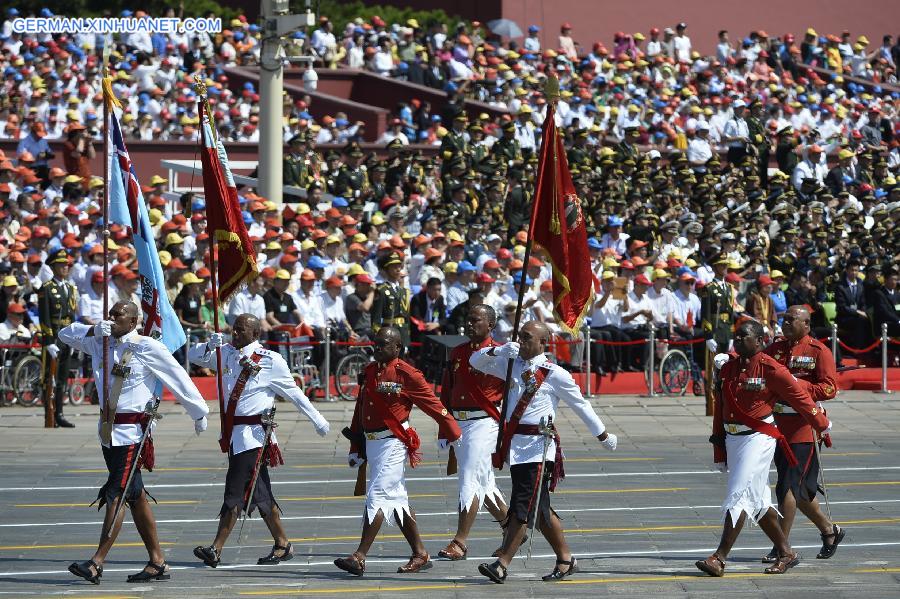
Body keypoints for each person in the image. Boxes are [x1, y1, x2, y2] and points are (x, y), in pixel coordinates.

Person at [59, 300, 210, 584]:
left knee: (116, 492)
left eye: (119, 315)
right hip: (107, 432)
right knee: (136, 496)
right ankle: (158, 562)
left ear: (133, 321)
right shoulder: (99, 342)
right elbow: (64, 334)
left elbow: (177, 377)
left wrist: (198, 412)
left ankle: (96, 562)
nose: (113, 318)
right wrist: (93, 330)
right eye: (111, 314)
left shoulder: (147, 346)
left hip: (132, 435)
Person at [470, 321, 617, 583]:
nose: (522, 342)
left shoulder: (554, 374)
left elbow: (581, 405)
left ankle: (502, 563)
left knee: (521, 506)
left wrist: (603, 435)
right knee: (540, 511)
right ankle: (565, 559)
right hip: (516, 447)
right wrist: (499, 351)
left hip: (539, 449)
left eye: (527, 338)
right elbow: (475, 362)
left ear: (542, 343)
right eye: (520, 337)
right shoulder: (511, 363)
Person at [189, 313, 329, 568]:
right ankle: (282, 543)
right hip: (234, 435)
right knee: (260, 492)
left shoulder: (270, 361)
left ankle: (216, 549)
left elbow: (294, 392)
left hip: (254, 437)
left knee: (234, 492)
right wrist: (210, 345)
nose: (235, 334)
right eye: (234, 330)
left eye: (241, 331)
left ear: (256, 334)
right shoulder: (227, 352)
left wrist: (317, 419)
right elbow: (193, 358)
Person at [698, 318, 831, 577]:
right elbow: (720, 409)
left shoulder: (771, 368)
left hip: (758, 438)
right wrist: (719, 445)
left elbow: (800, 397)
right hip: (734, 439)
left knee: (738, 495)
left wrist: (822, 424)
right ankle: (786, 552)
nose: (737, 341)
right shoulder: (728, 368)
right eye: (736, 337)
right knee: (758, 501)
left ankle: (719, 557)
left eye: (743, 337)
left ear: (759, 341)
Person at [334, 326, 461, 576]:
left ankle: (359, 556)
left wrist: (454, 435)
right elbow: (361, 411)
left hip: (394, 442)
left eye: (383, 344)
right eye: (376, 344)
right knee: (397, 500)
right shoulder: (370, 371)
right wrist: (356, 446)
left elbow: (434, 404)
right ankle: (420, 553)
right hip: (372, 443)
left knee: (378, 496)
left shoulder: (407, 373)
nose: (377, 348)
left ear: (397, 348)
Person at [763, 305, 845, 562]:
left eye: (791, 320)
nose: (785, 324)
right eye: (783, 319)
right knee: (800, 493)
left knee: (786, 486)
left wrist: (800, 385)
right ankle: (829, 530)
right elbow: (759, 369)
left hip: (803, 425)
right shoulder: (775, 349)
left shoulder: (818, 351)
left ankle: (781, 547)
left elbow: (830, 389)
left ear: (806, 325)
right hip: (776, 424)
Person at [436, 304, 508, 560]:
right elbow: (447, 391)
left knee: (468, 479)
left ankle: (460, 541)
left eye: (476, 320)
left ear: (490, 325)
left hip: (484, 423)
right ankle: (511, 530)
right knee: (484, 484)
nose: (469, 324)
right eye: (468, 320)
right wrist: (444, 427)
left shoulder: (501, 353)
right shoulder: (457, 352)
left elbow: (511, 391)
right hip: (460, 423)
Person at [38, 249, 79, 428]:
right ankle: (50, 414)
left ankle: (59, 413)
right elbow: (44, 317)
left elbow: (71, 316)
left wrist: (75, 339)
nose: (65, 267)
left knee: (62, 377)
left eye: (67, 265)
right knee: (50, 378)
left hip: (66, 337)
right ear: (53, 267)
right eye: (61, 265)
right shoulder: (46, 288)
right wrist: (48, 342)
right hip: (53, 338)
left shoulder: (70, 288)